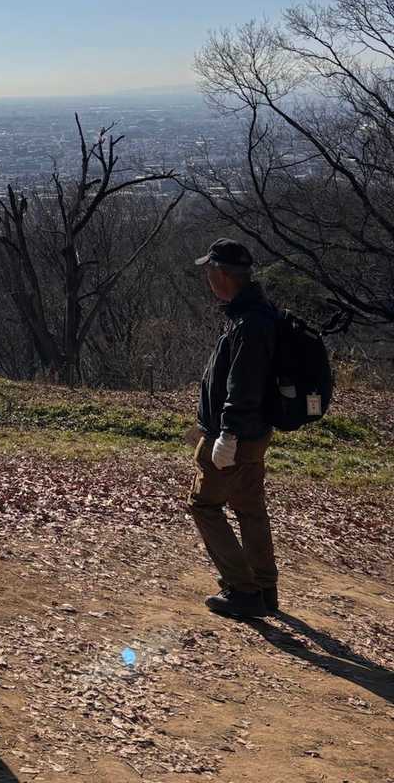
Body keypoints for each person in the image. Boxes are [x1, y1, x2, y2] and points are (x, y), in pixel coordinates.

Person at [188, 237, 280, 620]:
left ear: (222, 274)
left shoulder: (248, 323)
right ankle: (264, 588)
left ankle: (242, 590)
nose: (208, 279)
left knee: (204, 505)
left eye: (210, 271)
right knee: (249, 508)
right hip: (253, 434)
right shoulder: (257, 313)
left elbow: (243, 385)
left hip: (234, 435)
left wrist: (226, 435)